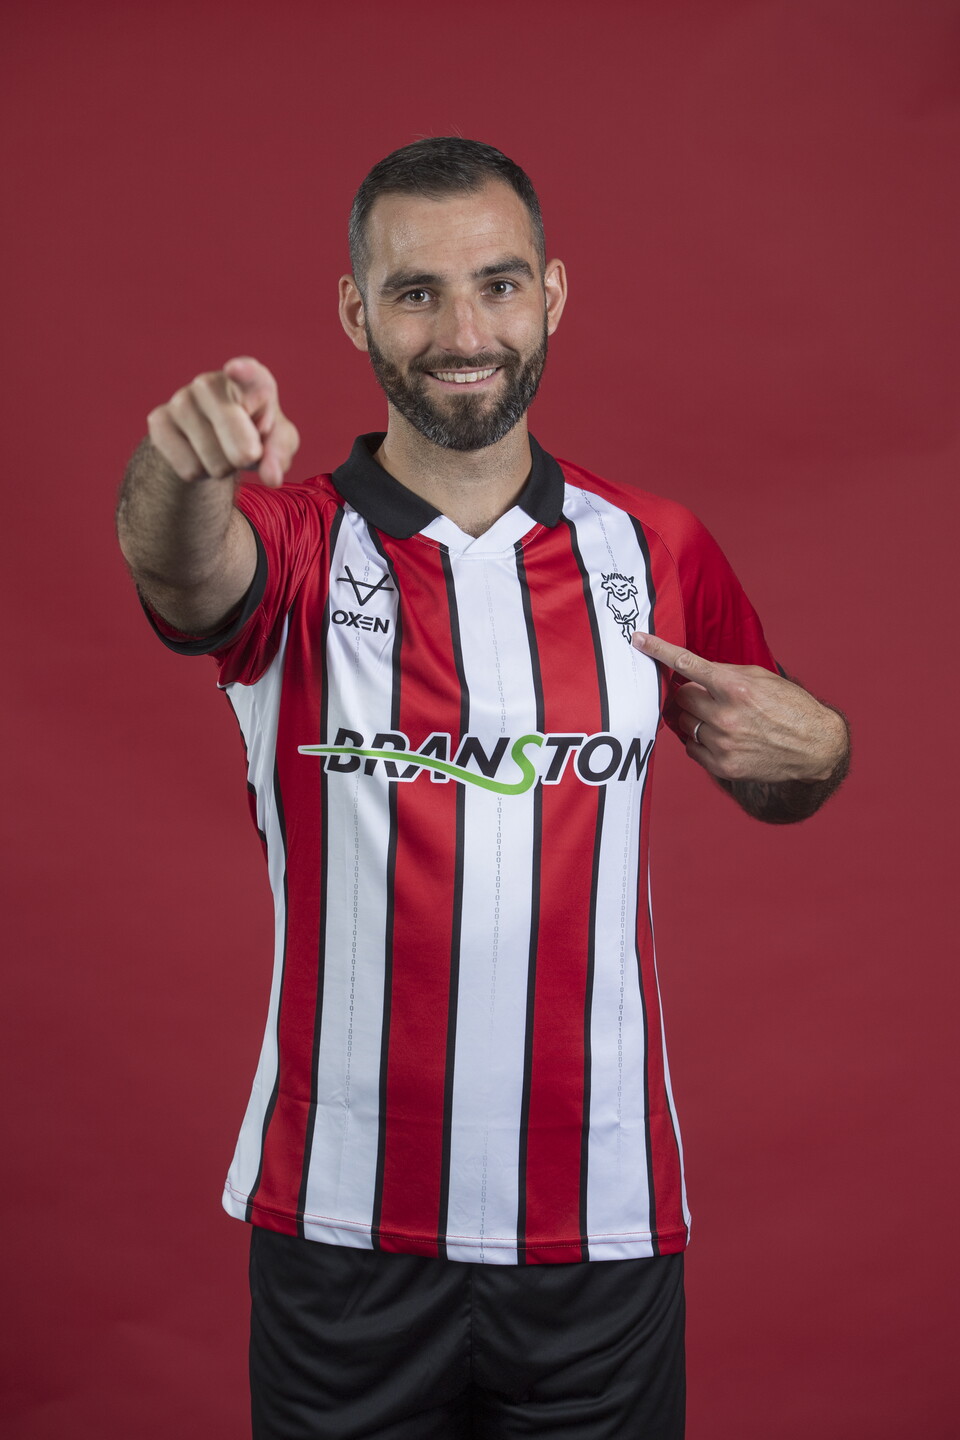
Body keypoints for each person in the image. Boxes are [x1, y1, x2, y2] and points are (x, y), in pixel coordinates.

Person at [117, 137, 849, 1439]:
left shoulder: (653, 547)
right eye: (416, 293)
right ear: (357, 312)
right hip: (343, 1232)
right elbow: (181, 568)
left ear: (553, 296)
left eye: (499, 286)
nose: (465, 329)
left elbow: (773, 763)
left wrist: (827, 753)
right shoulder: (292, 547)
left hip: (600, 1229)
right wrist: (183, 469)